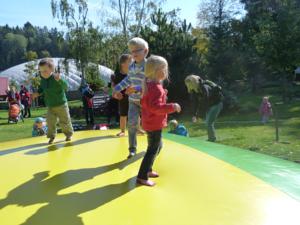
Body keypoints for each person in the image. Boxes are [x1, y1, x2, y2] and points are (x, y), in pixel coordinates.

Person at [136, 55, 181, 187]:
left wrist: (163, 95)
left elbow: (150, 103)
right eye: (164, 69)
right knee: (152, 149)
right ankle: (142, 176)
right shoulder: (154, 87)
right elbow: (155, 108)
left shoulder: (151, 85)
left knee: (157, 146)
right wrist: (172, 107)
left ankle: (148, 169)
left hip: (150, 122)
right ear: (156, 71)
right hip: (153, 124)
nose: (166, 72)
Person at [113, 37, 149, 159]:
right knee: (132, 123)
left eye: (136, 51)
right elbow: (128, 80)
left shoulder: (149, 66)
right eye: (131, 52)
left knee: (148, 125)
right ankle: (132, 148)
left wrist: (137, 88)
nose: (133, 54)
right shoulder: (132, 66)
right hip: (133, 101)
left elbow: (151, 84)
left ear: (145, 51)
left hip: (146, 101)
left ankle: (153, 146)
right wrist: (117, 88)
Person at [32, 58, 73, 144]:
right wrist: (37, 93)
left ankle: (68, 134)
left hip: (61, 104)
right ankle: (51, 136)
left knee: (64, 121)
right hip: (51, 106)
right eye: (41, 71)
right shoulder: (43, 80)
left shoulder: (56, 77)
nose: (43, 73)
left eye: (45, 71)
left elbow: (66, 86)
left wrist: (60, 80)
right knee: (50, 122)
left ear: (52, 69)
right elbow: (42, 89)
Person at [184, 75, 223, 142]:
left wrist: (199, 115)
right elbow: (195, 103)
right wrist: (194, 115)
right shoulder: (194, 90)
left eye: (190, 85)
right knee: (208, 122)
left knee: (208, 122)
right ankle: (212, 138)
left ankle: (212, 139)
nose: (189, 87)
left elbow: (205, 102)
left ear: (194, 83)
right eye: (188, 85)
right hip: (210, 105)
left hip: (216, 104)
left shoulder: (205, 87)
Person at [112, 54, 132, 137]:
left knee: (136, 113)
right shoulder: (117, 75)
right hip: (123, 99)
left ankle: (138, 129)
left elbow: (137, 84)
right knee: (123, 115)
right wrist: (116, 94)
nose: (132, 63)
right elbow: (113, 87)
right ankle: (122, 131)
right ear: (123, 64)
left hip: (133, 97)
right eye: (130, 62)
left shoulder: (132, 74)